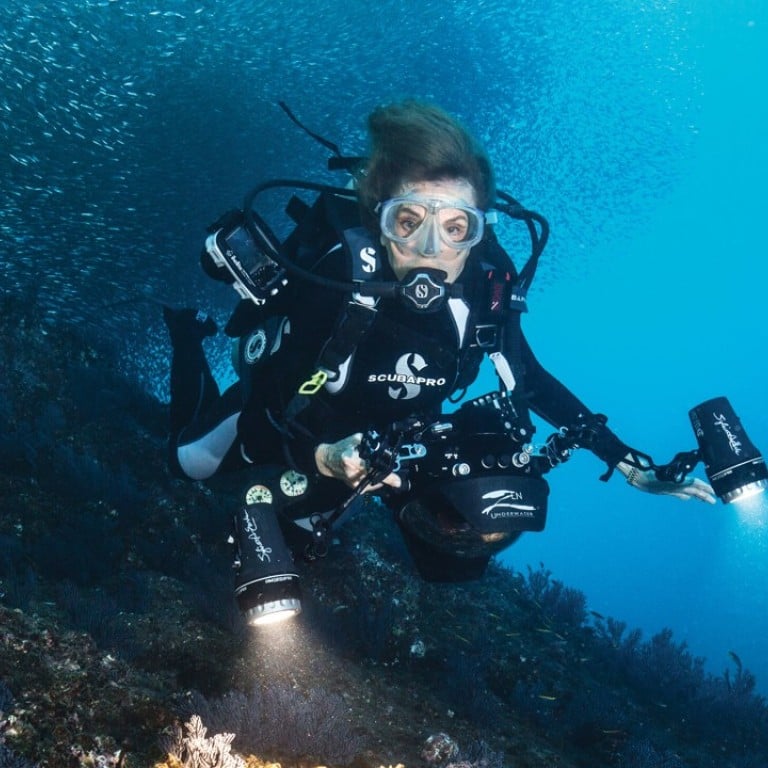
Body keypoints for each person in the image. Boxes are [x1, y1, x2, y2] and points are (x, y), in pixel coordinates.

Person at [163, 100, 714, 596]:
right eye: (408, 221)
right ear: (380, 218)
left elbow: (530, 378)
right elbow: (272, 402)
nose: (431, 249)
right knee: (190, 464)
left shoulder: (485, 287)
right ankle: (187, 339)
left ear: (478, 231)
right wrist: (324, 456)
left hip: (384, 441)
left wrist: (623, 459)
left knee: (317, 531)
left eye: (456, 227)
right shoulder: (341, 274)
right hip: (296, 414)